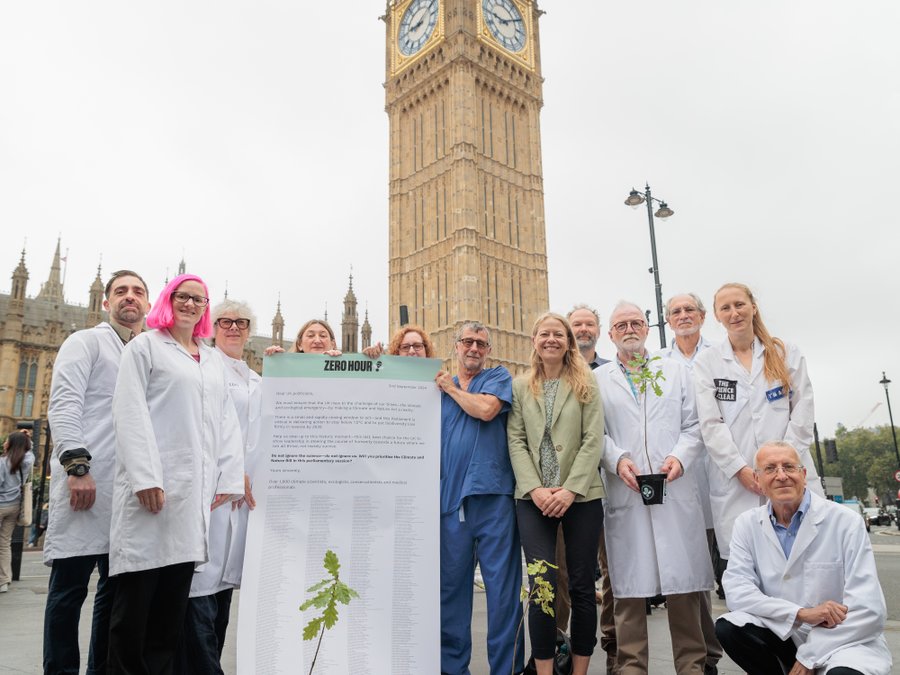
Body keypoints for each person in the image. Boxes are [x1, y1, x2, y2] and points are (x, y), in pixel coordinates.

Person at [107, 273, 245, 674]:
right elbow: (129, 411)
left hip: (191, 504)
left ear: (205, 309)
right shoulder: (146, 347)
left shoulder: (212, 358)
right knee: (132, 616)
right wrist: (146, 477)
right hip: (151, 498)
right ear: (169, 299)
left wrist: (230, 478)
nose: (190, 304)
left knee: (169, 620)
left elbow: (227, 422)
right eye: (182, 297)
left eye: (198, 300)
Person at [44, 269, 151, 675]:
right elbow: (65, 402)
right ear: (105, 302)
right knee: (69, 592)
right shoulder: (84, 341)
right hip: (85, 482)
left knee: (113, 594)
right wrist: (76, 466)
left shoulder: (145, 352)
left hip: (127, 493)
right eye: (121, 291)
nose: (129, 297)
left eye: (138, 292)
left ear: (147, 304)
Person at [596, 302, 712, 675]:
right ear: (610, 334)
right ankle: (631, 666)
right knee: (629, 586)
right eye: (620, 324)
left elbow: (695, 426)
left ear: (647, 329)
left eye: (636, 322)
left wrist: (680, 457)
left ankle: (691, 665)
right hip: (625, 490)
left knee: (683, 584)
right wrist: (616, 460)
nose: (629, 328)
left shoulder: (676, 372)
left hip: (673, 488)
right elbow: (594, 433)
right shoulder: (598, 380)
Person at [716, 441, 892, 675]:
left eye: (789, 467)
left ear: (804, 474)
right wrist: (800, 614)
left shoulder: (845, 522)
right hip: (787, 631)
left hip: (843, 639)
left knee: (842, 674)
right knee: (729, 627)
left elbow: (869, 609)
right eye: (770, 469)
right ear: (757, 481)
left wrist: (810, 657)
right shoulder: (746, 524)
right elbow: (737, 591)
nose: (781, 476)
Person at [693, 283, 823, 576]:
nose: (734, 313)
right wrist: (740, 469)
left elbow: (803, 410)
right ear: (716, 315)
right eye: (725, 308)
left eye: (739, 304)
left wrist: (781, 466)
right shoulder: (708, 362)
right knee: (751, 568)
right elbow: (710, 424)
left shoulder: (785, 352)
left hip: (790, 473)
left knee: (804, 561)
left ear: (753, 306)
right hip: (740, 481)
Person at [508, 312, 605, 675]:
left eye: (558, 334)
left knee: (581, 587)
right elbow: (515, 440)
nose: (551, 339)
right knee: (542, 585)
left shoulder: (586, 382)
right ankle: (545, 671)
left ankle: (579, 671)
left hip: (581, 496)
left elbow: (594, 439)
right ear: (534, 340)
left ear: (567, 342)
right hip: (533, 499)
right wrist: (534, 488)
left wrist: (569, 490)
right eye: (544, 334)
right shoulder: (520, 386)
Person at [435, 321, 523, 675]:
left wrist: (449, 389)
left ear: (488, 351)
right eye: (467, 342)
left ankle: (507, 670)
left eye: (481, 344)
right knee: (451, 595)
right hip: (450, 502)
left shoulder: (497, 377)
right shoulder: (436, 387)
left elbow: (486, 410)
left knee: (503, 594)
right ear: (455, 346)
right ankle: (453, 669)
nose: (474, 348)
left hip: (493, 500)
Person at [179, 299, 261, 675]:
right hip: (213, 495)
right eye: (225, 321)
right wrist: (231, 470)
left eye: (241, 322)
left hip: (244, 503)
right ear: (212, 327)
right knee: (199, 594)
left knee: (222, 596)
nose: (233, 328)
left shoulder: (257, 378)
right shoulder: (201, 366)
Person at [658, 292, 722, 674]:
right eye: (676, 312)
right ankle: (703, 657)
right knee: (688, 576)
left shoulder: (719, 354)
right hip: (680, 476)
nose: (683, 316)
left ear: (702, 316)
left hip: (721, 476)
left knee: (724, 572)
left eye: (689, 310)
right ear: (668, 321)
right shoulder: (659, 363)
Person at [565, 303, 615, 672]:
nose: (583, 329)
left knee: (613, 569)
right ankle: (558, 651)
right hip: (566, 489)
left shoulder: (612, 372)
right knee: (562, 575)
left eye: (588, 324)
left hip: (611, 483)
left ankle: (614, 650)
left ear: (598, 330)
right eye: (576, 324)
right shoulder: (553, 371)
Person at [0, 432, 35, 593]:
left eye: (7, 441)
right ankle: (3, 581)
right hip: (14, 507)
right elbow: (30, 449)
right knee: (4, 543)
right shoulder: (27, 461)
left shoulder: (3, 462)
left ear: (10, 444)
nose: (4, 443)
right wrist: (27, 439)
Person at [265, 318, 342, 356]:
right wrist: (275, 361)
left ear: (333, 344)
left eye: (323, 336)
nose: (317, 341)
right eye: (311, 336)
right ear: (299, 344)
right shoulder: (287, 370)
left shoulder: (344, 372)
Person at [362, 323, 435, 358]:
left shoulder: (441, 382)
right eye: (405, 347)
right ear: (397, 353)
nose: (412, 351)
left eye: (417, 346)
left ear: (426, 350)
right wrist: (366, 359)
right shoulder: (387, 379)